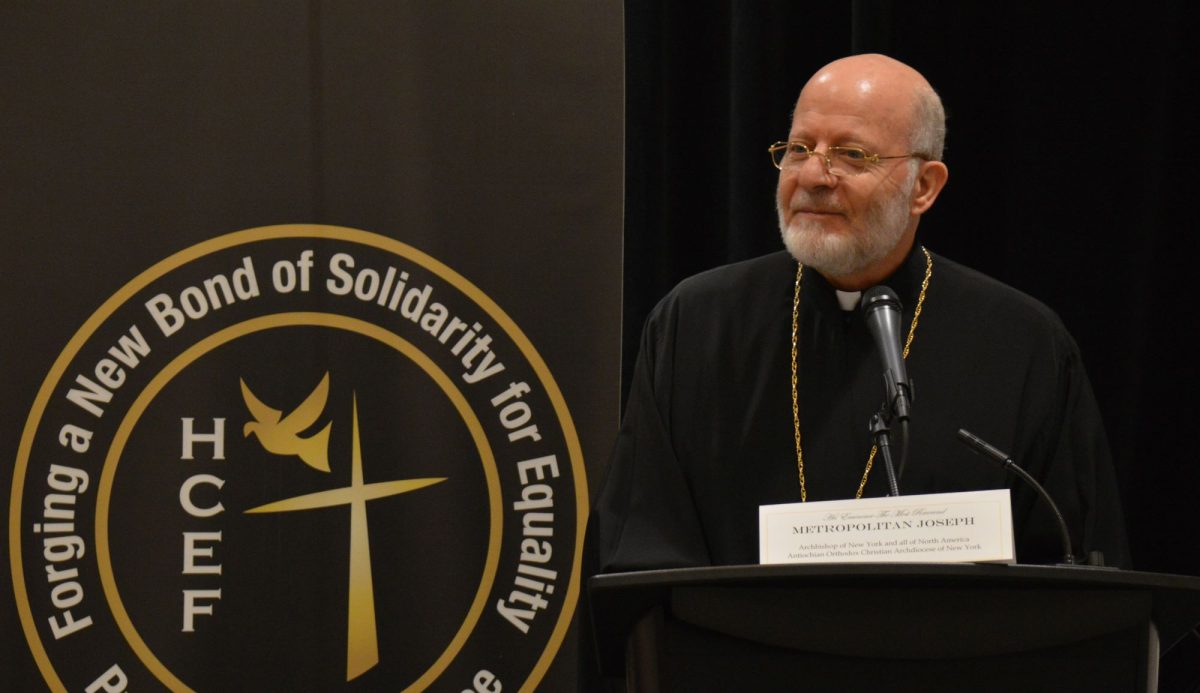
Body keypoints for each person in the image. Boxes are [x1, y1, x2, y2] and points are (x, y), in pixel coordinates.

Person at [592, 53, 1129, 571]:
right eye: (799, 149)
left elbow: (1072, 566)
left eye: (852, 155)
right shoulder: (697, 324)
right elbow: (641, 551)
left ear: (924, 187)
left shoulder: (1021, 344)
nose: (813, 175)